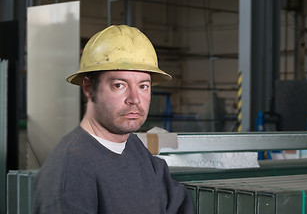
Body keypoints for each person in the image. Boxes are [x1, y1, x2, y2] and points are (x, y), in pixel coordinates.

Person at [33, 25, 194, 214]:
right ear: (88, 87)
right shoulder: (70, 170)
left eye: (143, 86)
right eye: (119, 85)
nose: (134, 99)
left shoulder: (135, 149)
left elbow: (178, 204)